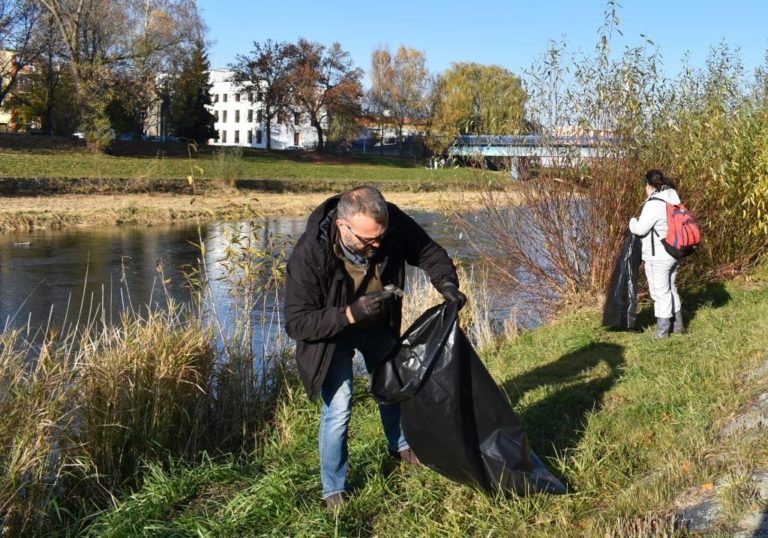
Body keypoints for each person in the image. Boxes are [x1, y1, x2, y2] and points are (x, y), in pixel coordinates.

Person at [284, 185, 466, 510]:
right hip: (333, 336)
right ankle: (333, 489)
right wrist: (350, 314)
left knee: (392, 387)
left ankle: (400, 445)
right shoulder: (309, 254)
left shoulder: (389, 223)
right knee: (338, 409)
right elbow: (297, 323)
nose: (378, 245)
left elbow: (428, 251)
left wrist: (448, 286)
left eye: (381, 237)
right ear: (343, 227)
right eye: (369, 241)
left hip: (378, 326)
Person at [628, 169, 685, 338]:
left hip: (658, 256)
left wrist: (632, 221)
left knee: (660, 293)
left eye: (645, 185)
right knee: (670, 288)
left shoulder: (654, 203)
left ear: (650, 185)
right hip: (674, 253)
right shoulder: (673, 199)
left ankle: (662, 332)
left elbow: (640, 229)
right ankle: (679, 326)